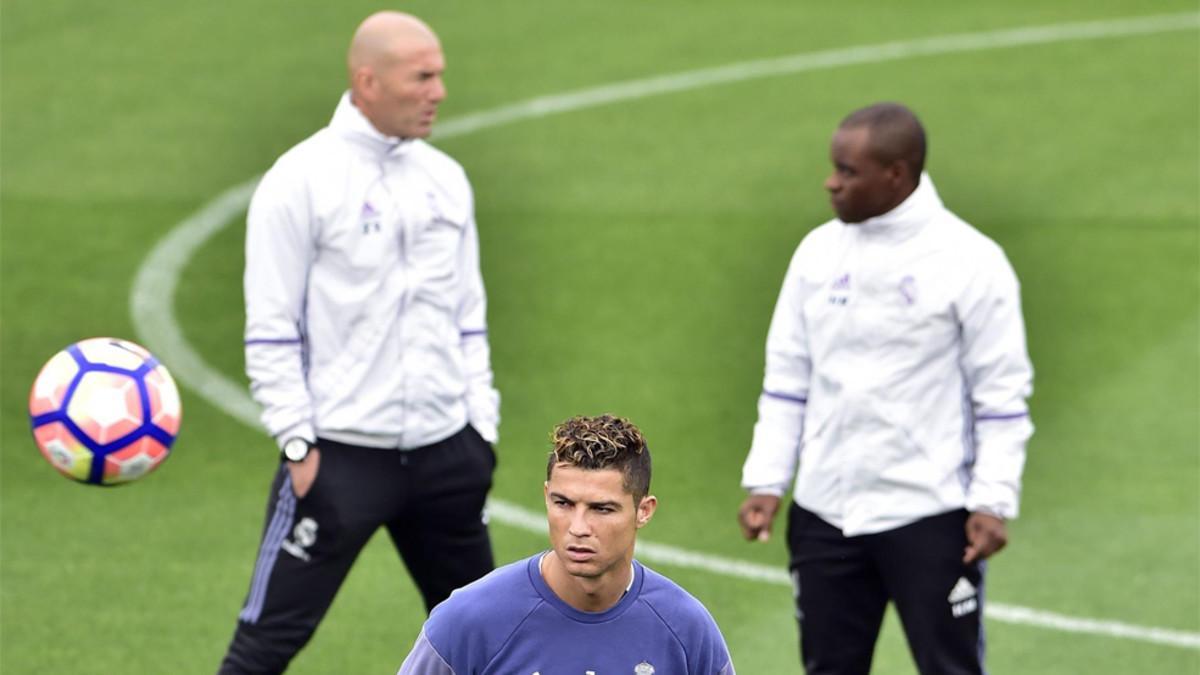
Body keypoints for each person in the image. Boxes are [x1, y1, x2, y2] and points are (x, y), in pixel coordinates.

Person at [219, 11, 500, 674]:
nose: (439, 92)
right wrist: (295, 439)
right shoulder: (299, 180)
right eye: (423, 77)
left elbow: (470, 315)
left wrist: (479, 428)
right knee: (262, 646)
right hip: (339, 462)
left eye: (441, 75)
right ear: (367, 81)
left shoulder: (446, 179)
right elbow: (270, 325)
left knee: (492, 647)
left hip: (447, 456)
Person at [737, 102, 1033, 675]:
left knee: (950, 668)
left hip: (931, 515)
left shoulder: (971, 262)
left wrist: (994, 498)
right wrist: (767, 480)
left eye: (847, 171)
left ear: (896, 174)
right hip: (825, 514)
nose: (831, 182)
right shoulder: (816, 254)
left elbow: (1000, 396)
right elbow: (787, 379)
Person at [398, 414, 736, 674]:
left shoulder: (686, 630)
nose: (578, 528)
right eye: (563, 503)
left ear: (643, 511)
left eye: (601, 509)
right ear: (546, 496)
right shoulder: (467, 622)